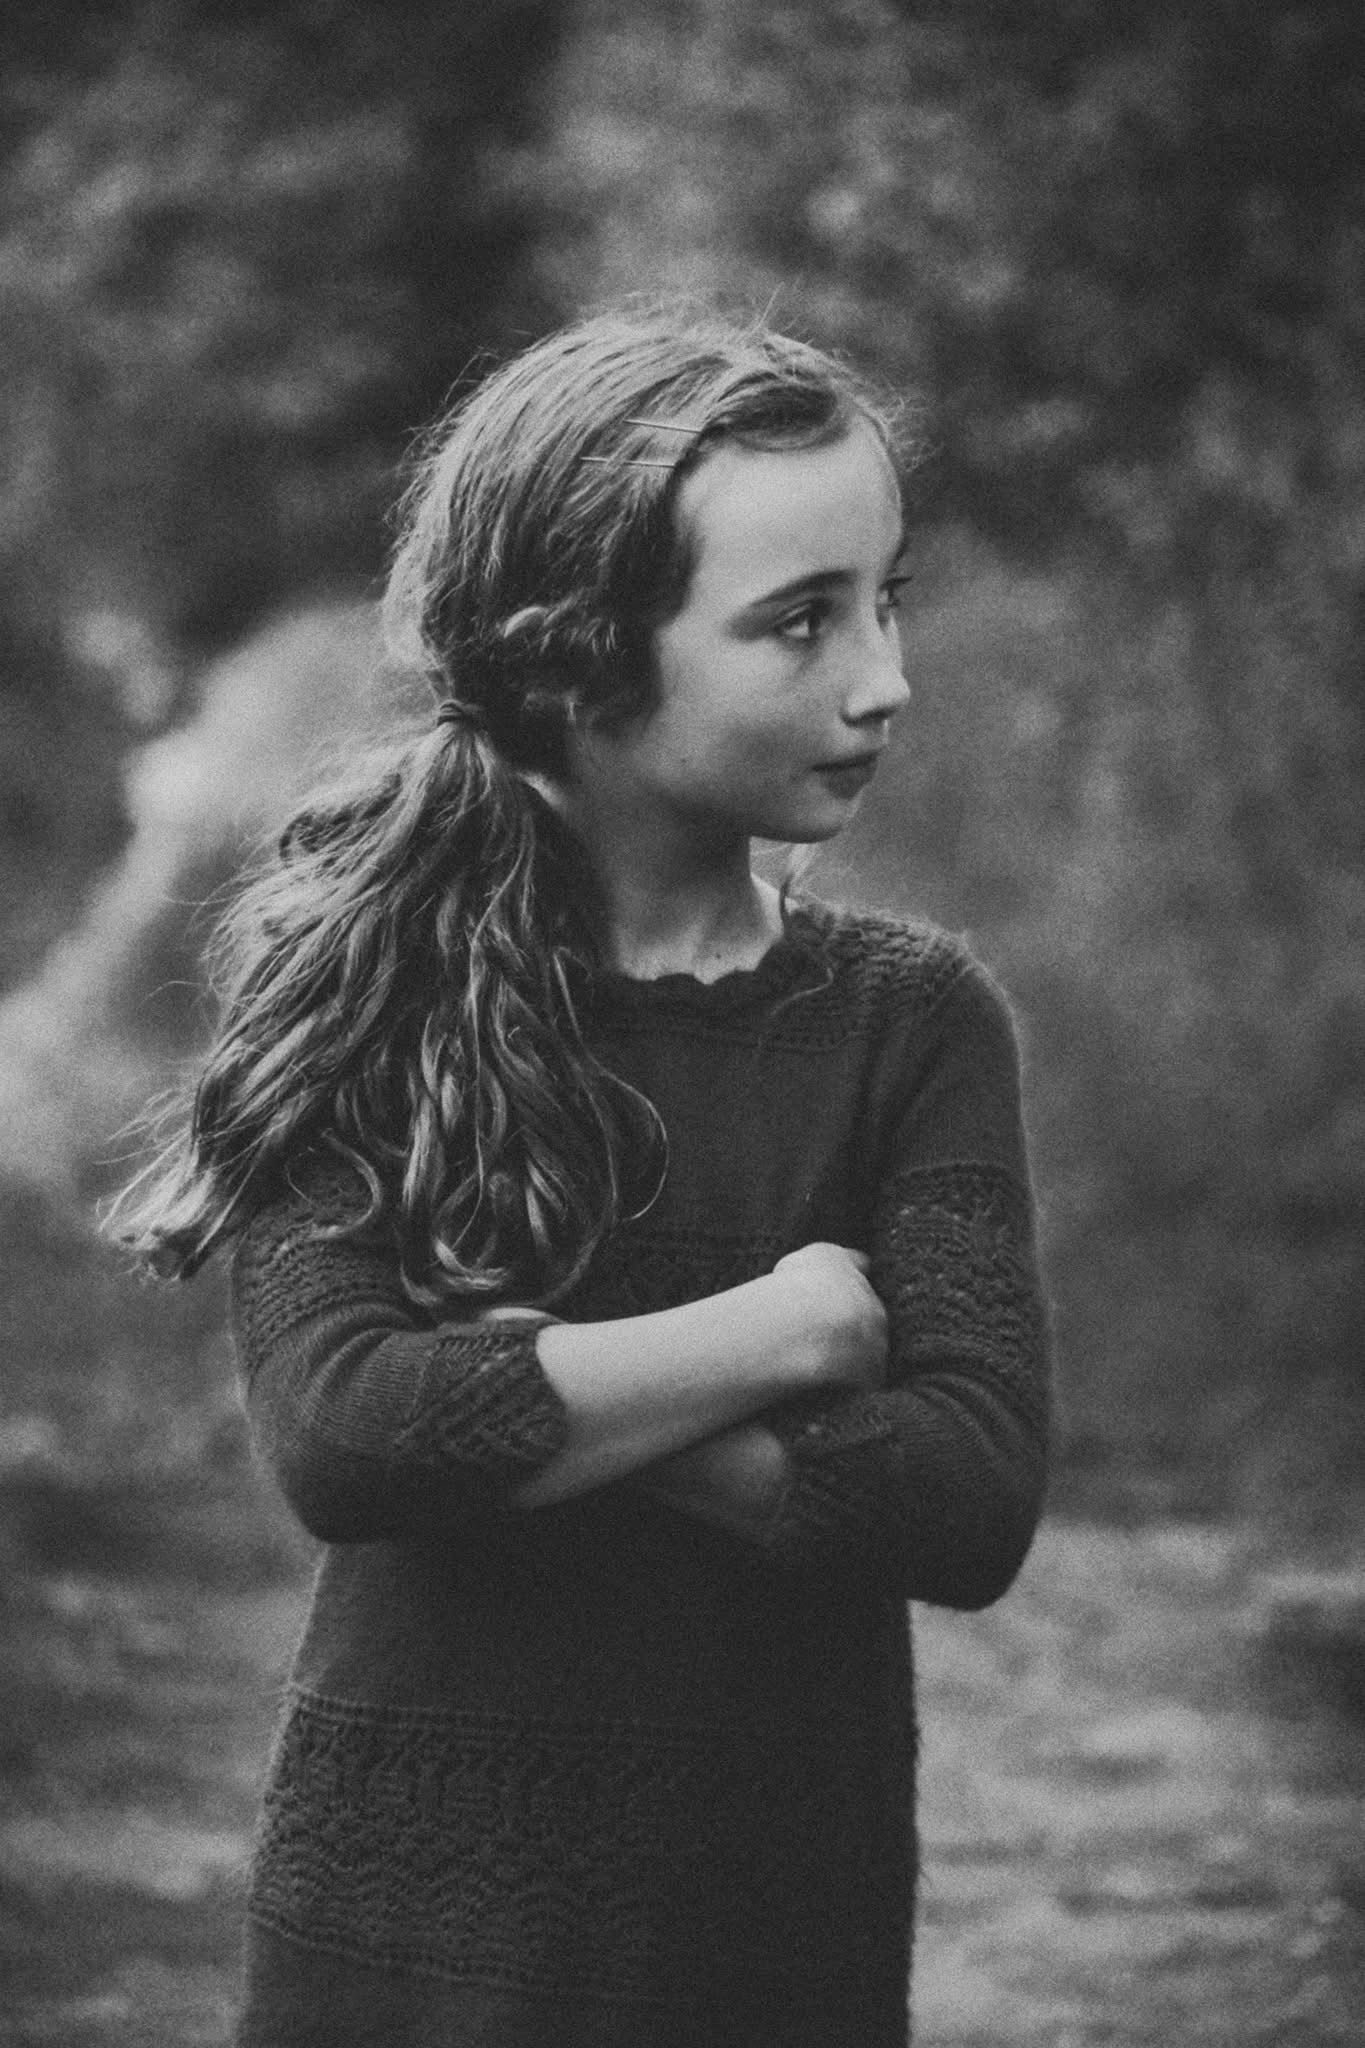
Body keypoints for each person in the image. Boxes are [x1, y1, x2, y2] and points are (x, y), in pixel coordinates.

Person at [112, 305, 1050, 2047]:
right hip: (399, 1935)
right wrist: (785, 1330)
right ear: (581, 659)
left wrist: (526, 1378)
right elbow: (344, 1435)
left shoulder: (909, 1024)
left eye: (884, 597)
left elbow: (967, 1497)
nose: (881, 678)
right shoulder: (360, 981)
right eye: (796, 622)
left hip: (769, 1919)